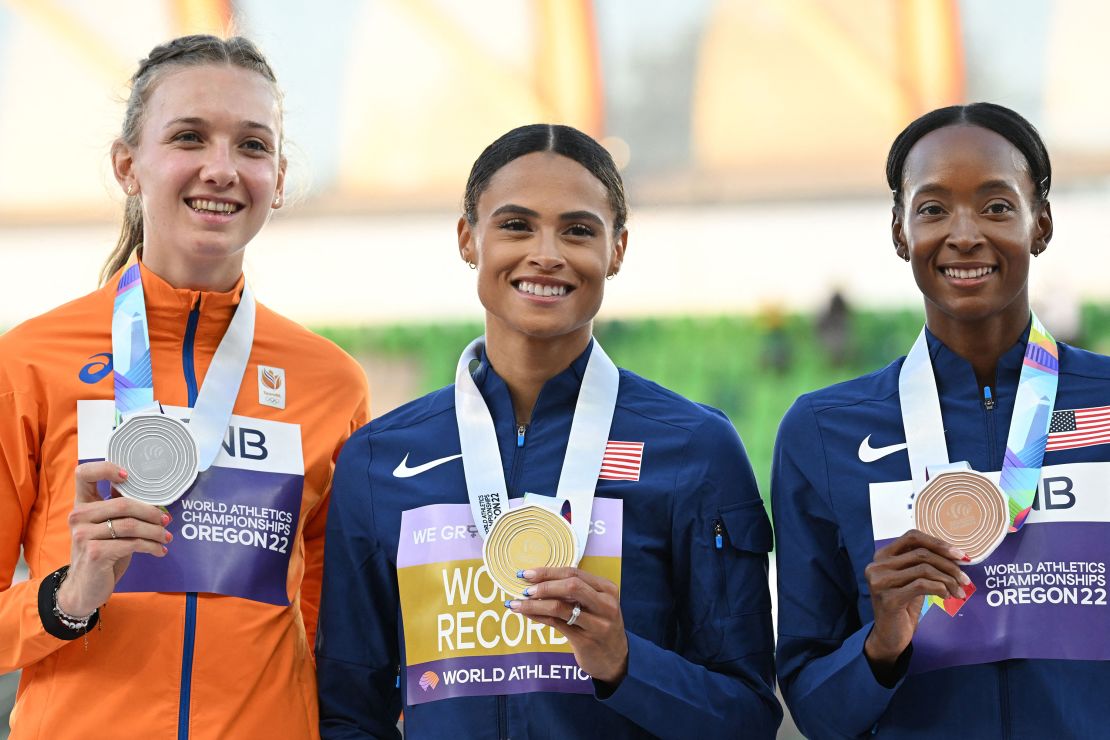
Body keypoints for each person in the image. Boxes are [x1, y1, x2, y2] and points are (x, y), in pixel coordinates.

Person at [317, 124, 781, 739]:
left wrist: (623, 662)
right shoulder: (380, 458)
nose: (546, 253)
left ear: (616, 250)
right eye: (515, 225)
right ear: (467, 238)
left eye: (578, 230)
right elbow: (349, 715)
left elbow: (747, 716)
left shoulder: (694, 447)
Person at [0, 35, 370, 739]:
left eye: (253, 146)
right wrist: (65, 599)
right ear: (127, 165)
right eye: (189, 137)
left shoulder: (330, 383)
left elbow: (333, 637)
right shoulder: (30, 363)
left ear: (280, 178)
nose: (222, 169)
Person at [773, 102, 1110, 737]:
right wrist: (883, 643)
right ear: (900, 233)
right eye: (932, 209)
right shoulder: (823, 432)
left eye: (997, 206)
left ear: (1041, 224)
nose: (964, 233)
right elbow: (816, 711)